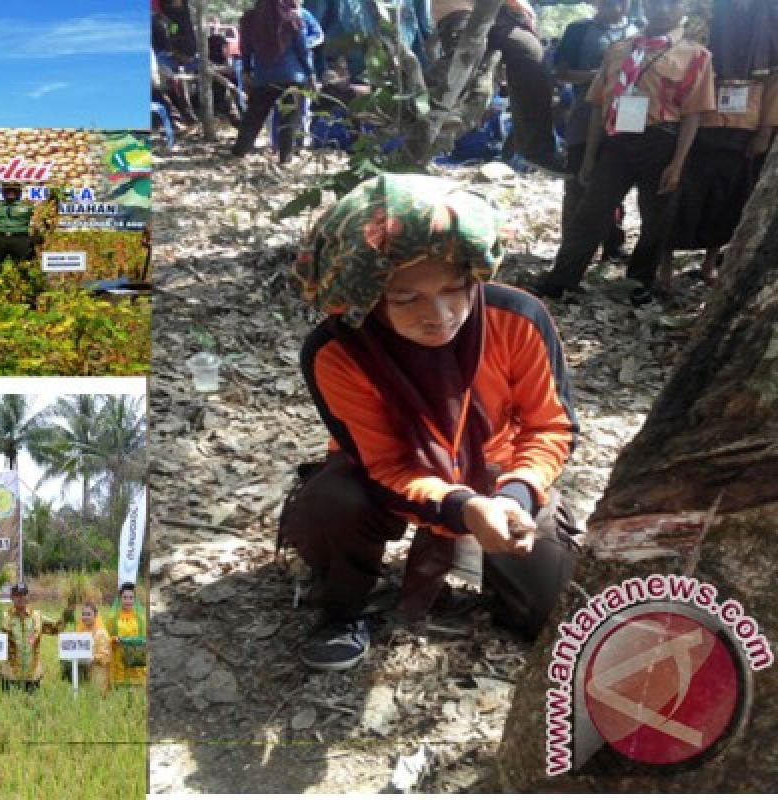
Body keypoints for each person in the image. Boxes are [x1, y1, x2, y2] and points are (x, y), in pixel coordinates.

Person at [284, 172, 580, 671]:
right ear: (367, 296)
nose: (440, 314)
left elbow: (550, 427)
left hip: (501, 470)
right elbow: (385, 464)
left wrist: (515, 497)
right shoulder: (338, 352)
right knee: (336, 500)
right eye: (405, 298)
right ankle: (341, 607)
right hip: (391, 480)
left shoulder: (519, 318)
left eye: (455, 288)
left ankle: (494, 555)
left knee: (548, 612)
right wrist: (461, 507)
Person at [538, 0, 716, 306]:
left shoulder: (696, 56)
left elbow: (693, 115)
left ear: (683, 9)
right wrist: (592, 153)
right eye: (653, 4)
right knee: (591, 211)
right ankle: (561, 280)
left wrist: (677, 163)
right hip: (617, 141)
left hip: (662, 141)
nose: (661, 10)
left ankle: (639, 282)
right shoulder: (620, 50)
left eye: (670, 5)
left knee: (656, 219)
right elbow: (598, 105)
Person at [659, 0, 778, 291]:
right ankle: (663, 267)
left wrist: (765, 131)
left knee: (729, 198)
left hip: (745, 126)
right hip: (697, 122)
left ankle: (709, 264)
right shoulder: (706, 11)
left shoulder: (770, 15)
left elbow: (776, 79)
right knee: (681, 197)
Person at [432, 0, 566, 174]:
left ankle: (537, 150)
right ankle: (441, 108)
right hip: (460, 10)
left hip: (497, 13)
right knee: (468, 52)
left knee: (530, 51)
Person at [553, 0, 637, 260]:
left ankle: (612, 243)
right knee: (578, 181)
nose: (616, 7)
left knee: (615, 182)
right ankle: (572, 247)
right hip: (585, 114)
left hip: (625, 118)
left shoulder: (639, 32)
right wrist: (600, 77)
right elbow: (561, 73)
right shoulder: (578, 30)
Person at [230, 0, 320, 164]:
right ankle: (285, 158)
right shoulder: (291, 16)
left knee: (254, 117)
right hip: (293, 76)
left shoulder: (249, 19)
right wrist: (311, 74)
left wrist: (246, 70)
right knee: (289, 120)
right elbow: (302, 50)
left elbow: (245, 48)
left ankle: (239, 152)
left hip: (263, 76)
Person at [0, 582, 61, 693]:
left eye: (24, 594)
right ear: (12, 597)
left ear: (28, 596)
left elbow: (55, 629)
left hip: (32, 674)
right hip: (10, 674)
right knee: (9, 706)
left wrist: (67, 614)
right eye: (18, 595)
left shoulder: (37, 616)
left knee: (31, 706)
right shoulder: (4, 617)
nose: (21, 598)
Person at [108, 583, 147, 687]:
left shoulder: (140, 618)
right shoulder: (113, 618)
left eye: (131, 598)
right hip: (119, 659)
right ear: (120, 599)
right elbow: (107, 638)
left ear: (134, 599)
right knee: (120, 689)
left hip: (135, 659)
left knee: (136, 689)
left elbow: (145, 638)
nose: (128, 601)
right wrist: (114, 639)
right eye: (125, 598)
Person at [74, 600, 113, 695]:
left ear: (95, 616)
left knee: (97, 700)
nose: (85, 617)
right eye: (83, 614)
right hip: (84, 672)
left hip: (98, 673)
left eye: (88, 614)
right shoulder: (81, 632)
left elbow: (106, 656)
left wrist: (92, 658)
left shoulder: (101, 633)